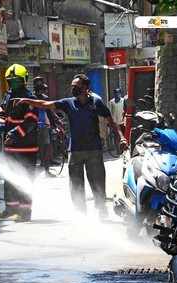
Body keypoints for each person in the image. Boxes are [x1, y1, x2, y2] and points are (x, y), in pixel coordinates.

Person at [16, 74, 127, 218]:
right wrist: (26, 100)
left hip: (94, 150)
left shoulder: (96, 102)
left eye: (76, 86)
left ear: (86, 88)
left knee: (98, 183)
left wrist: (122, 138)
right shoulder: (68, 103)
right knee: (76, 186)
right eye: (72, 86)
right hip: (75, 152)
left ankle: (101, 211)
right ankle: (81, 215)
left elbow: (111, 122)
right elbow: (45, 105)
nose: (73, 88)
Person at [0, 64, 39, 222]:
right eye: (11, 81)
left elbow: (31, 121)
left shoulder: (30, 98)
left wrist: (14, 133)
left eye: (17, 81)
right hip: (10, 147)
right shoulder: (8, 96)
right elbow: (2, 112)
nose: (14, 85)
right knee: (10, 178)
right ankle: (11, 208)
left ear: (24, 80)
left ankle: (25, 212)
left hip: (27, 147)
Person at [33, 76, 54, 175]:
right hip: (38, 127)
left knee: (43, 148)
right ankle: (45, 169)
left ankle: (45, 169)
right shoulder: (39, 98)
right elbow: (50, 113)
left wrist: (53, 124)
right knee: (45, 147)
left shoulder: (32, 98)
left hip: (39, 127)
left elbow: (50, 113)